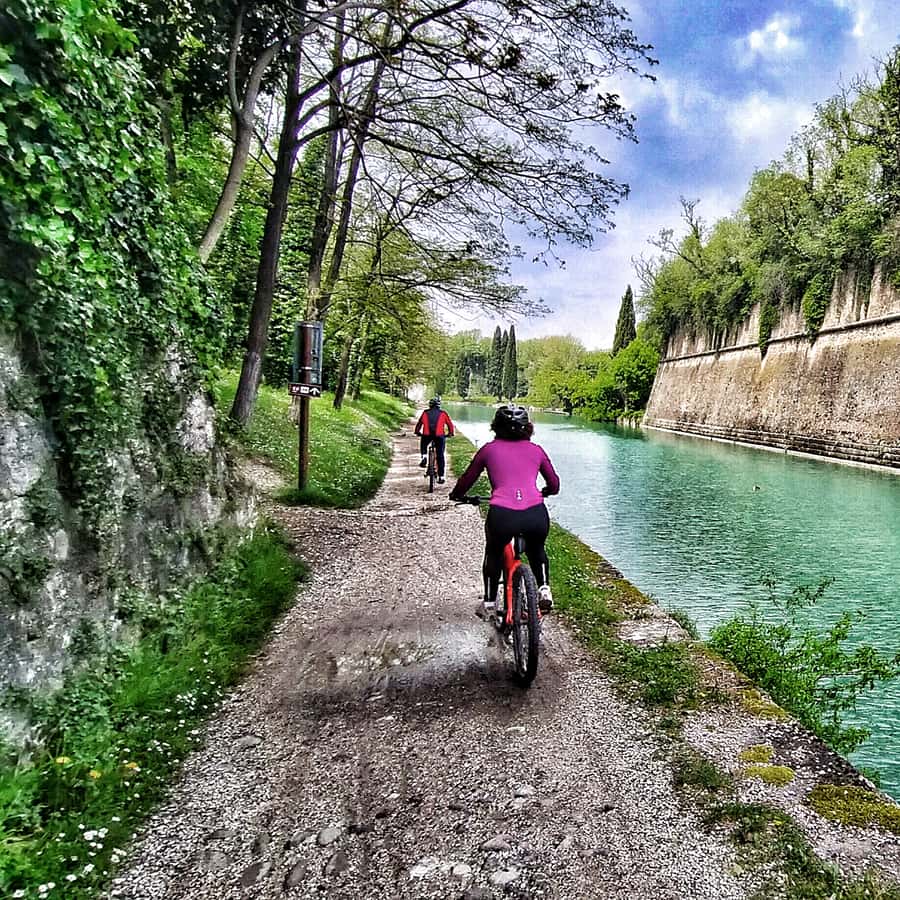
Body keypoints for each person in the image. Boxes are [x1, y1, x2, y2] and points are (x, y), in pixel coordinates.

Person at [449, 404, 559, 614]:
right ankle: (544, 588)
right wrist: (546, 491)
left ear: (496, 426)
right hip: (535, 513)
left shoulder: (488, 450)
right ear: (527, 427)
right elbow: (554, 483)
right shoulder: (536, 450)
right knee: (537, 549)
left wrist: (458, 495)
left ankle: (490, 603)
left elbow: (467, 479)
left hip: (502, 515)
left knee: (493, 552)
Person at [414, 397, 455, 483]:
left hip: (427, 435)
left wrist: (417, 432)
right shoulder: (443, 413)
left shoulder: (425, 413)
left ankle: (424, 457)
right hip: (439, 436)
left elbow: (419, 423)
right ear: (439, 406)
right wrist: (450, 433)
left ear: (430, 405)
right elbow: (450, 425)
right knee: (440, 455)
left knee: (423, 443)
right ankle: (441, 476)